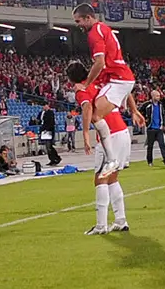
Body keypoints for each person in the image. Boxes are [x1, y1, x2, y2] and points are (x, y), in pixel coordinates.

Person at [68, 61, 134, 236]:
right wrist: (134, 110)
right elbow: (125, 92)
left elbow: (87, 107)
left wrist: (85, 134)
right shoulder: (102, 82)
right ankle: (121, 220)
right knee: (112, 177)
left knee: (100, 179)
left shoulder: (82, 90)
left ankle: (101, 225)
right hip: (122, 131)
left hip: (109, 136)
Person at [72, 3, 135, 178]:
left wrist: (86, 84)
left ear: (88, 17)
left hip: (119, 80)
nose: (78, 25)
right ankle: (112, 159)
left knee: (95, 116)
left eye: (79, 21)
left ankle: (112, 159)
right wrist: (135, 110)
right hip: (119, 79)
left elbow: (99, 62)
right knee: (97, 114)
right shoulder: (103, 29)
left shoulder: (94, 34)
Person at [140, 89, 165, 167]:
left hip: (159, 128)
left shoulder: (160, 105)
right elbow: (140, 111)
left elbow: (163, 113)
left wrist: (163, 123)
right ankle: (149, 161)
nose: (159, 97)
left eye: (159, 96)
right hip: (151, 128)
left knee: (162, 145)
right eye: (157, 96)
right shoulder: (147, 105)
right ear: (152, 96)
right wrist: (144, 119)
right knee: (150, 146)